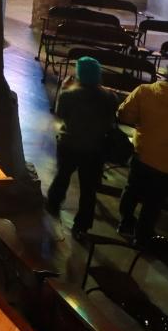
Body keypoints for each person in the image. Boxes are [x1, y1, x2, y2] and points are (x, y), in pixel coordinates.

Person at [46, 57, 117, 239]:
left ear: (79, 74)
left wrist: (65, 88)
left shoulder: (69, 95)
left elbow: (61, 114)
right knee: (88, 189)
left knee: (62, 176)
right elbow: (111, 120)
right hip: (95, 148)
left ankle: (53, 205)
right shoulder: (110, 97)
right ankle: (82, 225)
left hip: (70, 144)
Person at [116, 62, 168, 243]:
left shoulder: (145, 91)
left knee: (132, 190)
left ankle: (126, 223)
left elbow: (124, 115)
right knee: (154, 202)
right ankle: (142, 237)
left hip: (142, 154)